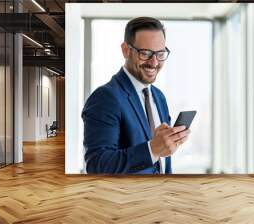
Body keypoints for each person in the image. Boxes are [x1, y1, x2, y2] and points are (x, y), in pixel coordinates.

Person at [82, 17, 191, 174]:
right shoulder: (105, 98)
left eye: (160, 53)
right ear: (125, 50)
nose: (154, 63)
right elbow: (97, 165)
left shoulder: (159, 96)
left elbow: (162, 161)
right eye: (145, 53)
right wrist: (152, 149)